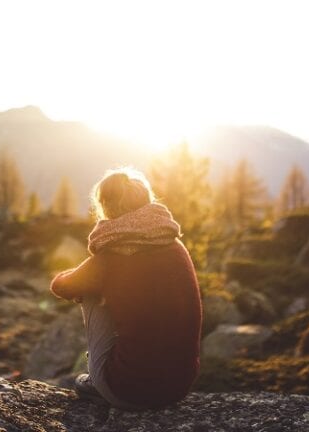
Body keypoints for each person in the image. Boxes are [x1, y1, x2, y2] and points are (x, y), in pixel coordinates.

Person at [50, 167, 202, 410]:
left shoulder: (111, 255)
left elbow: (61, 287)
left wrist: (86, 275)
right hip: (179, 388)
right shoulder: (175, 246)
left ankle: (98, 376)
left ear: (106, 208)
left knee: (89, 290)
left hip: (127, 392)